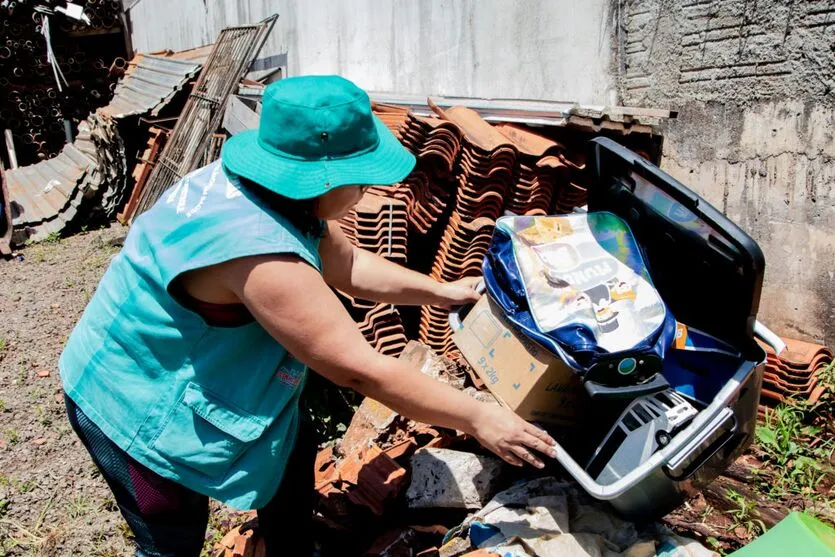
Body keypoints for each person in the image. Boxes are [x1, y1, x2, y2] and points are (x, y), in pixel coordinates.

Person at [59, 75, 557, 557]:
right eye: (358, 180)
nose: (364, 191)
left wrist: (441, 292)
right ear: (320, 178)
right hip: (130, 398)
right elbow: (359, 368)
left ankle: (293, 546)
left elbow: (351, 264)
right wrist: (479, 417)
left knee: (290, 455)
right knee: (172, 536)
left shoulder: (264, 188)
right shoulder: (261, 252)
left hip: (171, 357)